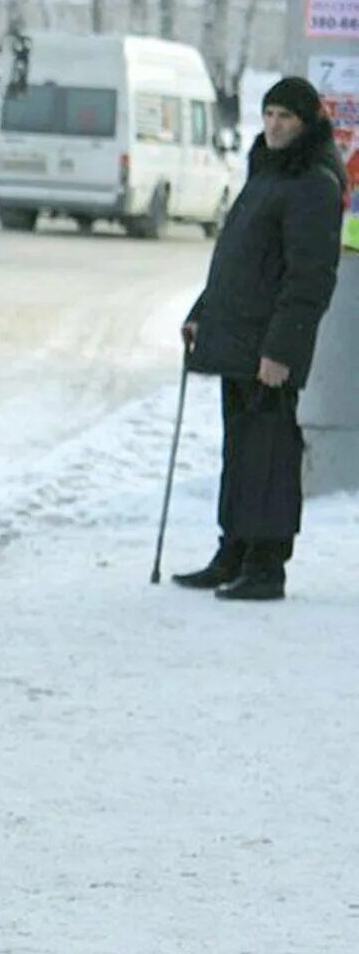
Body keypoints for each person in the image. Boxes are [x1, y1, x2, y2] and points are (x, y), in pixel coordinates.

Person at [175, 77, 346, 600]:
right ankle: (234, 550)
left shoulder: (314, 184)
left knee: (269, 452)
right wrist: (201, 312)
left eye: (286, 117)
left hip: (269, 346)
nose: (274, 125)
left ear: (307, 123)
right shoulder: (266, 174)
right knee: (242, 448)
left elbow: (309, 280)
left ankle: (267, 563)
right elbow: (236, 258)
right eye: (269, 114)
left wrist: (281, 351)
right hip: (237, 337)